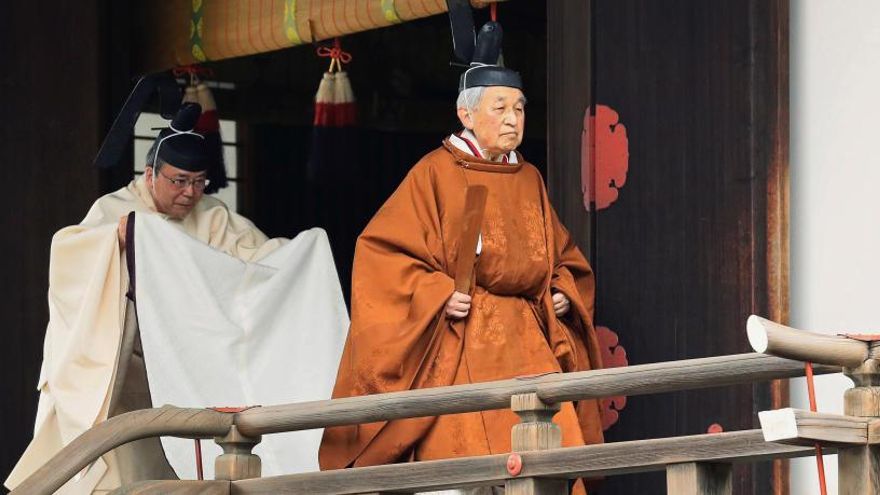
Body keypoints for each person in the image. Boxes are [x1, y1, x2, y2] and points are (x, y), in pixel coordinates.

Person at [319, 43, 605, 494]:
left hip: (529, 338)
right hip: (463, 338)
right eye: (500, 108)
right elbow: (381, 255)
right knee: (471, 467)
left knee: (551, 462)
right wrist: (435, 293)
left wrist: (562, 289)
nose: (513, 119)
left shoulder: (528, 177)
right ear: (466, 114)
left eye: (519, 108)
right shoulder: (435, 173)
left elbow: (562, 255)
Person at [5, 103, 287, 492]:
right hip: (125, 372)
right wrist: (117, 242)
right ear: (151, 174)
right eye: (179, 181)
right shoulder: (116, 210)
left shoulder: (213, 216)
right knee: (117, 472)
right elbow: (67, 252)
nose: (190, 193)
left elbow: (259, 264)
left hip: (187, 366)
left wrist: (299, 254)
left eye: (200, 182)